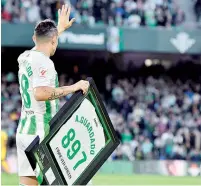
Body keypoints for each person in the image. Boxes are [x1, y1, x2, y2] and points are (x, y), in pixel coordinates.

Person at [16, 4, 90, 186]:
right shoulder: (45, 63)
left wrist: (59, 29)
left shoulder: (25, 57)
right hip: (41, 134)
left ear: (34, 38)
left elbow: (44, 44)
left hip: (25, 131)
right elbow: (40, 93)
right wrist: (73, 87)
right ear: (54, 41)